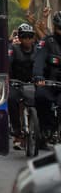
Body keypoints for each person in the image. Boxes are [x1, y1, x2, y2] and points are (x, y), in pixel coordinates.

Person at [11, 23, 40, 147]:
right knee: (11, 99)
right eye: (24, 37)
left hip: (33, 83)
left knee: (44, 98)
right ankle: (17, 131)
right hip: (16, 83)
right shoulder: (13, 50)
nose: (27, 40)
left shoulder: (39, 50)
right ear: (20, 38)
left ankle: (43, 131)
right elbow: (7, 64)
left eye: (30, 37)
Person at [35, 12, 61, 141]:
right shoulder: (47, 42)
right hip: (49, 82)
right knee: (41, 97)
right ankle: (46, 127)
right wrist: (38, 76)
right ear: (55, 27)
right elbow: (39, 60)